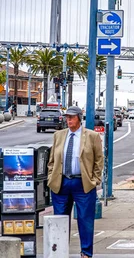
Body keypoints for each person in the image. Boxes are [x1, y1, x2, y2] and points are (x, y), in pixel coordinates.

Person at [47, 106, 104, 258]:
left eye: (71, 117)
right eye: (67, 117)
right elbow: (52, 160)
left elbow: (99, 160)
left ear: (79, 118)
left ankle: (86, 252)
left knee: (85, 220)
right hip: (61, 183)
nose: (68, 120)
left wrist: (95, 180)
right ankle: (60, 250)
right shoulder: (59, 135)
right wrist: (50, 177)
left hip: (83, 184)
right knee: (60, 219)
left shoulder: (91, 136)